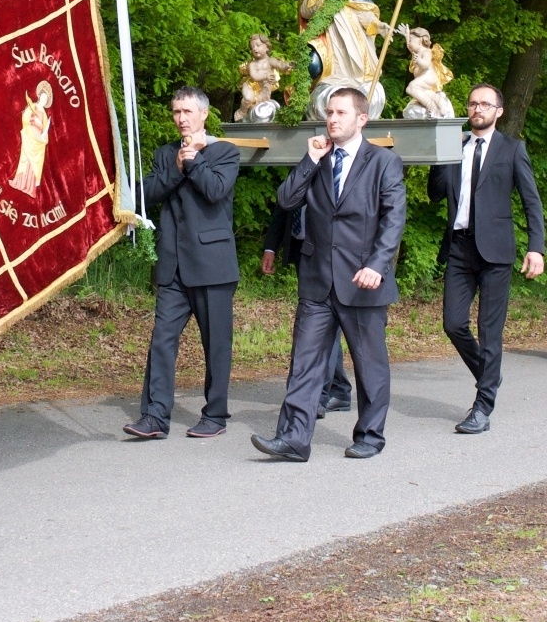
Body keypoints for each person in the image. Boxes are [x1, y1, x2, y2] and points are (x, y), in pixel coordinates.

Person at [251, 88, 405, 462]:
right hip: (317, 278)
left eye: (340, 113)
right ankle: (293, 439)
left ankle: (369, 434)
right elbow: (286, 202)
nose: (332, 119)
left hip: (362, 280)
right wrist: (309, 159)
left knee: (369, 363)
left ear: (361, 119)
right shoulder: (318, 159)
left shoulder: (383, 162)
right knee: (304, 362)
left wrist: (377, 265)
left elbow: (394, 219)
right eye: (329, 113)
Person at [425, 84, 545, 432]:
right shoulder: (455, 144)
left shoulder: (512, 149)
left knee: (490, 331)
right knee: (453, 323)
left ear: (499, 111)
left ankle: (482, 406)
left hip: (495, 253)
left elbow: (531, 201)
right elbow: (435, 195)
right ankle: (489, 374)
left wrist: (535, 247)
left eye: (485, 104)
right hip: (460, 248)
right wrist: (439, 156)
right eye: (473, 103)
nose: (477, 108)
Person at [123, 87, 240, 440]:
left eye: (187, 111)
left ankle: (215, 414)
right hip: (173, 266)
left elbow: (216, 190)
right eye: (176, 112)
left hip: (212, 265)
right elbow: (146, 194)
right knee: (162, 340)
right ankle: (155, 417)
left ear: (204, 114)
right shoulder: (164, 154)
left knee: (216, 343)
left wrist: (195, 161)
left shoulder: (226, 153)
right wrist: (176, 166)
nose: (181, 118)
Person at [262, 204, 352, 415]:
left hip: (332, 250)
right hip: (303, 250)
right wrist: (270, 247)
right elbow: (285, 203)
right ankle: (339, 389)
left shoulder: (337, 174)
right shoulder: (301, 170)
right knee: (320, 322)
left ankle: (316, 397)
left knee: (322, 323)